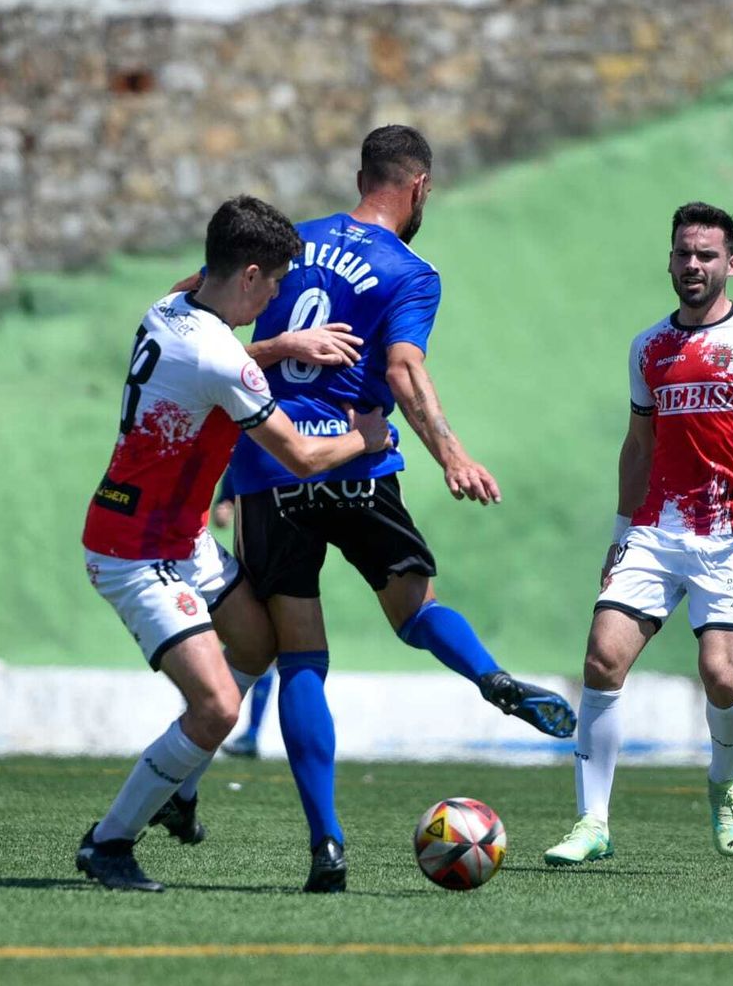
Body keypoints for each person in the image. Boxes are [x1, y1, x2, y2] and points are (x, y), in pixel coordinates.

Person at [217, 125, 576, 892]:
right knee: (415, 611)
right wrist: (451, 453)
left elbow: (206, 308)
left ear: (361, 176)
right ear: (419, 188)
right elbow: (405, 370)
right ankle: (488, 676)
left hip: (271, 465)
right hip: (357, 457)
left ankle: (329, 845)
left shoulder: (292, 242)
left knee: (301, 660)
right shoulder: (412, 271)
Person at [77, 195, 390, 892]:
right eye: (275, 280)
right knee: (218, 707)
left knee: (255, 646)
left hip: (180, 536)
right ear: (249, 275)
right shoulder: (222, 357)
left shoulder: (172, 304)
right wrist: (367, 437)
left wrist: (280, 346)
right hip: (136, 551)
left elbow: (211, 361)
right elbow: (302, 457)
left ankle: (181, 784)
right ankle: (110, 842)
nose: (279, 293)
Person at [544, 201, 733, 865]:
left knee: (722, 676)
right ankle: (592, 823)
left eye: (706, 255)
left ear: (730, 263)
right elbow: (638, 445)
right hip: (657, 530)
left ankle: (724, 782)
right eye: (683, 254)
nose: (693, 265)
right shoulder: (649, 347)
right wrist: (620, 530)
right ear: (669, 260)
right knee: (601, 662)